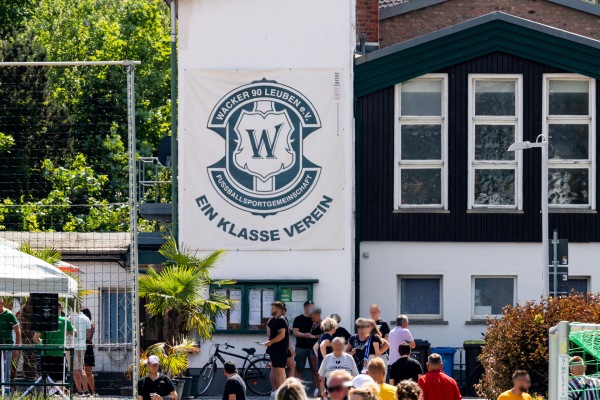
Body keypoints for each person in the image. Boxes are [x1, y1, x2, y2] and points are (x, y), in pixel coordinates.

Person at [33, 302, 74, 385]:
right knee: (61, 378)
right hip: (59, 353)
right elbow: (74, 333)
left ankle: (50, 393)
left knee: (47, 377)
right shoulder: (65, 321)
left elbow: (35, 338)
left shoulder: (44, 321)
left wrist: (43, 343)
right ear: (59, 309)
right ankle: (54, 392)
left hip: (46, 353)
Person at [266, 302, 290, 397]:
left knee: (280, 370)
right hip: (274, 349)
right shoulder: (273, 320)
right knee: (274, 369)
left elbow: (282, 335)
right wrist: (269, 341)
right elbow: (269, 330)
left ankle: (282, 392)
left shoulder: (281, 320)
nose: (271, 310)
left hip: (280, 349)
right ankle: (275, 391)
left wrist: (271, 342)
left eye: (273, 308)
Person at [0, 297, 21, 396]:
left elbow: (17, 331)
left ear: (2, 304)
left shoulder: (9, 315)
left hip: (7, 346)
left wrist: (16, 348)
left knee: (6, 370)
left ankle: (6, 393)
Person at [292, 301, 317, 381]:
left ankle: (318, 390)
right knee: (299, 369)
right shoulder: (298, 319)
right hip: (301, 347)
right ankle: (296, 389)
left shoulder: (316, 319)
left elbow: (321, 333)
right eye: (311, 307)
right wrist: (305, 335)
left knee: (315, 369)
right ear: (306, 308)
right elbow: (295, 332)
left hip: (313, 348)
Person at [70, 307, 92, 396]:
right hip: (82, 345)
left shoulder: (71, 318)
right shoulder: (86, 318)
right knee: (81, 369)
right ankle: (86, 390)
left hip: (73, 345)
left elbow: (69, 331)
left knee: (75, 369)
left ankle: (79, 391)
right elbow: (89, 333)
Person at [82, 308, 97, 396]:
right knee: (81, 370)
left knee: (88, 371)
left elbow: (88, 337)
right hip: (84, 347)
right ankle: (85, 390)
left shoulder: (91, 324)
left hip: (87, 348)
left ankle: (92, 391)